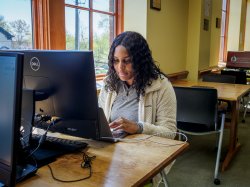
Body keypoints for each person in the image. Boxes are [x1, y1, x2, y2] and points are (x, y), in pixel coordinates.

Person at [98, 31, 177, 186]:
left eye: (127, 61)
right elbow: (99, 119)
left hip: (142, 159)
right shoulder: (109, 84)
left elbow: (170, 132)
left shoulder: (161, 86)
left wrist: (139, 128)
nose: (120, 68)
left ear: (140, 60)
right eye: (115, 61)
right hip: (110, 153)